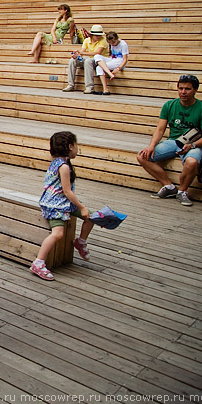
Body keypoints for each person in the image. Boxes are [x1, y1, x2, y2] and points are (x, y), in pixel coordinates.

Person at [136, 75, 202, 207]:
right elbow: (160, 130)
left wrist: (193, 145)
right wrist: (151, 146)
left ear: (195, 90)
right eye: (181, 88)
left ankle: (182, 191)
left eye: (187, 89)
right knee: (142, 156)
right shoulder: (169, 105)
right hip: (173, 141)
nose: (183, 92)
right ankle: (169, 186)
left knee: (192, 162)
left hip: (193, 144)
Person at [32, 131, 95, 281]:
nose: (78, 148)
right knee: (58, 233)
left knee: (91, 217)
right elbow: (67, 191)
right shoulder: (64, 166)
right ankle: (38, 262)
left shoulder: (60, 162)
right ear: (70, 146)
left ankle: (80, 242)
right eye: (77, 145)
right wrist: (81, 207)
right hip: (55, 204)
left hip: (63, 202)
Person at [63, 25, 108, 94]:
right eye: (96, 35)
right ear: (92, 35)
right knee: (72, 60)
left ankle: (89, 87)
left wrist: (82, 53)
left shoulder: (103, 40)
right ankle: (70, 84)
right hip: (89, 57)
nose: (98, 37)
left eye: (99, 35)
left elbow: (97, 53)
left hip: (100, 59)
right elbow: (82, 51)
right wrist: (77, 54)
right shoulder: (87, 40)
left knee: (88, 61)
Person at [94, 31, 129, 95]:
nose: (112, 44)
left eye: (114, 42)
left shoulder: (123, 44)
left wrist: (118, 68)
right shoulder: (111, 44)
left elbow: (125, 59)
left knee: (99, 68)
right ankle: (109, 74)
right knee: (97, 56)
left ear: (117, 39)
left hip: (120, 61)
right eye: (110, 43)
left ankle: (105, 89)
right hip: (112, 59)